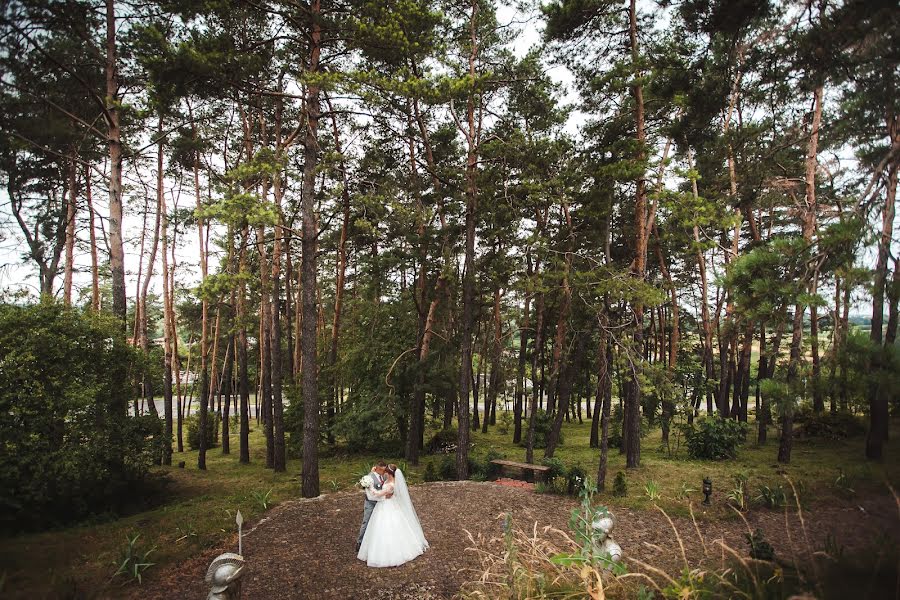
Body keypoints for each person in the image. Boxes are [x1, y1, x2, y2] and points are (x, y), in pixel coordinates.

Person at [357, 463, 428, 567]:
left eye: (385, 471)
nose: (384, 472)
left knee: (385, 526)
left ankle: (388, 551)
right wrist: (371, 474)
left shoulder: (390, 484)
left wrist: (370, 486)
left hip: (385, 505)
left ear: (389, 473)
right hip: (388, 504)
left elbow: (377, 493)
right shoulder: (390, 480)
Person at [356, 461, 390, 552]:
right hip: (371, 504)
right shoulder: (369, 478)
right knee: (366, 522)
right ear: (378, 469)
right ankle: (360, 542)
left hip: (380, 504)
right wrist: (383, 497)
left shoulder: (382, 475)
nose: (385, 472)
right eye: (383, 470)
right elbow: (370, 495)